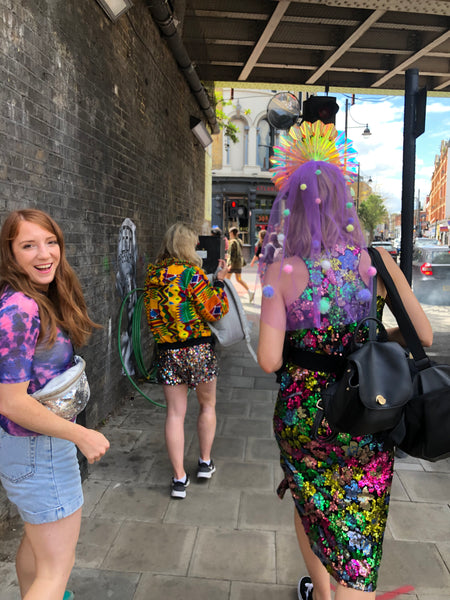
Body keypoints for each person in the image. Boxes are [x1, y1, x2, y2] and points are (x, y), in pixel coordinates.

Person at [257, 123, 432, 600]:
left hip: (305, 417)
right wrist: (373, 335)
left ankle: (321, 592)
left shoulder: (284, 269)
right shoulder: (375, 261)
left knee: (309, 503)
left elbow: (270, 360)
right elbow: (425, 334)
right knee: (356, 524)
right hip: (366, 413)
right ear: (345, 203)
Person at [0, 209, 110, 600]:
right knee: (55, 572)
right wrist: (80, 434)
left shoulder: (31, 298)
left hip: (31, 448)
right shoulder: (21, 309)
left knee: (36, 550)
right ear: (10, 253)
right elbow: (11, 402)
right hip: (40, 448)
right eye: (28, 245)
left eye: (50, 242)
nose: (44, 253)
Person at [144, 222, 229, 499]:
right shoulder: (192, 275)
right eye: (193, 243)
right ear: (185, 245)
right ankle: (205, 462)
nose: (197, 247)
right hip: (198, 350)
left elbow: (151, 316)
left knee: (175, 414)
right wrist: (221, 283)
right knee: (207, 406)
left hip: (168, 352)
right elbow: (215, 310)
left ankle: (179, 478)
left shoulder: (153, 276)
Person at [226, 226, 254, 302]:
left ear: (232, 233)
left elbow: (232, 254)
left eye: (229, 233)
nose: (229, 234)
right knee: (239, 279)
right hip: (238, 263)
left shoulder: (232, 242)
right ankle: (250, 291)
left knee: (226, 279)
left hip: (233, 264)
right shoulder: (239, 241)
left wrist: (230, 264)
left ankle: (229, 294)